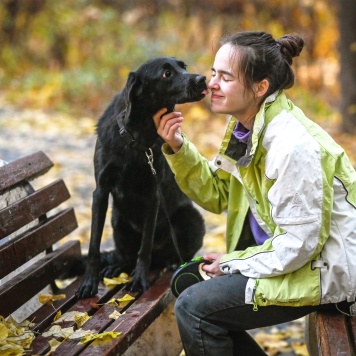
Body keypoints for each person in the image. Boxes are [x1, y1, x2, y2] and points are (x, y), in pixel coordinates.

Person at [153, 31, 356, 355]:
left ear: (260, 87)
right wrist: (177, 146)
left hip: (329, 272)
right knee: (188, 283)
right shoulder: (246, 128)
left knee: (194, 307)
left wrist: (235, 262)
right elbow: (219, 193)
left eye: (227, 77)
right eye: (214, 72)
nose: (212, 84)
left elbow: (299, 243)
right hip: (301, 258)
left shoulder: (292, 146)